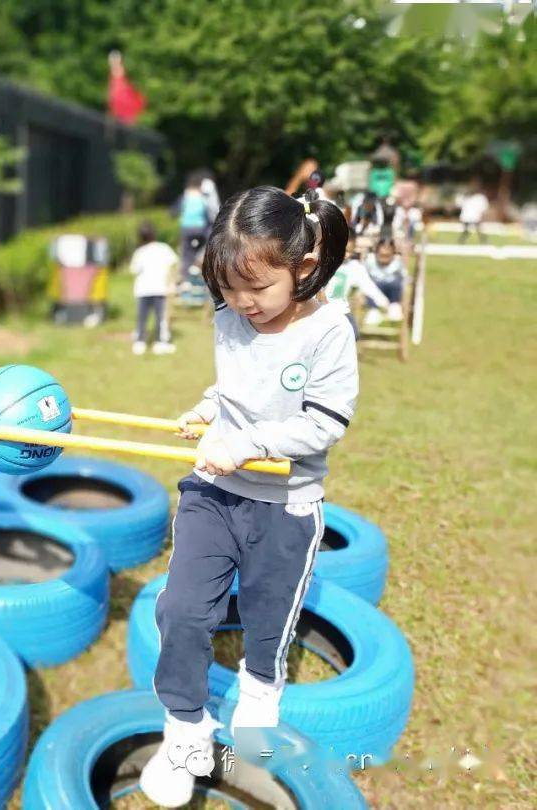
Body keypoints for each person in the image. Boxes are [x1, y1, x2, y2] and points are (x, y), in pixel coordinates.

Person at [139, 187, 357, 807]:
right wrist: (208, 410)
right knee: (179, 608)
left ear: (303, 269)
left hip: (284, 505)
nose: (241, 303)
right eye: (228, 287)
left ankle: (262, 684)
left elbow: (326, 421)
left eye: (256, 289)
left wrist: (249, 441)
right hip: (214, 494)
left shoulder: (329, 332)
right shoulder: (229, 318)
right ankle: (184, 729)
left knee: (267, 618)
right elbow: (233, 388)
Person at [326, 233, 390, 336]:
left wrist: (383, 302)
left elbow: (368, 286)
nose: (347, 255)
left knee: (353, 334)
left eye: (350, 251)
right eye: (344, 250)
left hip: (340, 311)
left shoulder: (354, 267)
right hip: (321, 311)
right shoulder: (324, 263)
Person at [129, 221, 179, 355]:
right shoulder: (164, 248)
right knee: (160, 317)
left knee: (142, 317)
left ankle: (140, 342)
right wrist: (173, 283)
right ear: (154, 234)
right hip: (160, 289)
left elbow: (134, 270)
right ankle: (160, 342)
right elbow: (174, 263)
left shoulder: (139, 252)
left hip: (143, 290)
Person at [171, 175, 214, 284]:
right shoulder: (203, 198)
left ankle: (185, 278)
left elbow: (174, 212)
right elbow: (209, 214)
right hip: (201, 230)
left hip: (186, 229)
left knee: (186, 254)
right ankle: (199, 265)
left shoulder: (185, 197)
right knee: (205, 247)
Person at [364, 238, 406, 323]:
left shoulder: (397, 263)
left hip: (392, 291)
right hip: (375, 289)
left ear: (393, 254)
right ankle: (374, 311)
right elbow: (363, 276)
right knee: (370, 287)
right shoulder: (370, 261)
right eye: (381, 255)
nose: (384, 258)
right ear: (376, 253)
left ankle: (394, 307)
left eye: (387, 256)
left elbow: (404, 277)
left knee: (396, 283)